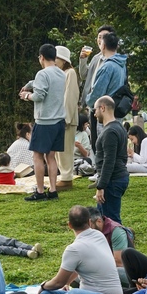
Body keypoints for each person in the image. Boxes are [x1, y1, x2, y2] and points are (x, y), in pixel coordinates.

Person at [22, 205, 122, 294]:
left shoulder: (74, 249)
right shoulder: (99, 235)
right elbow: (78, 268)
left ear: (69, 225)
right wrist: (64, 284)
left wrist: (43, 286)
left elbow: (58, 282)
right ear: (89, 222)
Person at [20, 44, 66, 201]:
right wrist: (30, 84)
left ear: (41, 57)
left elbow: (39, 95)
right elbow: (46, 84)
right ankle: (53, 190)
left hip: (44, 121)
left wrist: (26, 95)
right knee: (51, 157)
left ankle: (39, 191)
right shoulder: (62, 74)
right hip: (59, 121)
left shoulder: (42, 73)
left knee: (37, 156)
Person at [86, 32, 127, 150]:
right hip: (116, 110)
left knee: (104, 150)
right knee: (115, 149)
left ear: (103, 46)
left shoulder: (107, 67)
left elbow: (97, 94)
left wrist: (87, 101)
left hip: (105, 113)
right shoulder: (121, 64)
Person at [92, 96, 129, 224]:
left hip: (112, 180)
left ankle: (123, 242)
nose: (94, 114)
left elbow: (109, 161)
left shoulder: (110, 132)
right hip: (116, 178)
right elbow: (123, 158)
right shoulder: (119, 128)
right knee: (102, 219)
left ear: (102, 108)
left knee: (111, 222)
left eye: (95, 110)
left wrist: (101, 186)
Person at [87, 207, 134, 289]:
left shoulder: (116, 231)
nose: (87, 230)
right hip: (102, 270)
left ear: (99, 221)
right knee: (74, 277)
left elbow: (119, 263)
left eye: (89, 226)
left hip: (124, 271)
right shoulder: (90, 233)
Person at [54, 45, 79, 191]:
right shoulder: (59, 74)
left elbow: (70, 96)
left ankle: (67, 178)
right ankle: (63, 176)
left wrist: (66, 118)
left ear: (64, 60)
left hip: (66, 119)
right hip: (59, 117)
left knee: (65, 150)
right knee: (58, 150)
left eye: (57, 58)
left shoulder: (70, 73)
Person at [78, 24, 115, 110]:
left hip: (104, 106)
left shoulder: (112, 60)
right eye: (99, 37)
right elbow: (84, 75)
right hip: (91, 104)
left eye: (104, 37)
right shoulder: (96, 58)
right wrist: (83, 59)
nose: (101, 40)